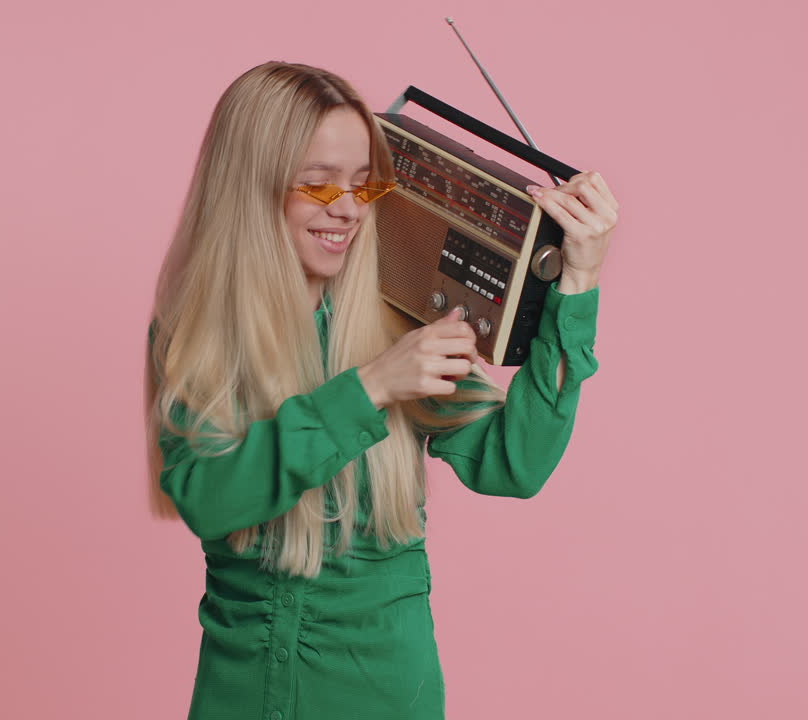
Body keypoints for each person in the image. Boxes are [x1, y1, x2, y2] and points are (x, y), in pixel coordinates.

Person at [143, 60, 618, 720]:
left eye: (363, 188)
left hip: (386, 696)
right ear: (250, 189)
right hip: (240, 694)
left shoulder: (400, 318)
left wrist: (577, 285)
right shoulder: (193, 331)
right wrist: (369, 388)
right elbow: (211, 499)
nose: (346, 211)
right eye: (316, 186)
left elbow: (516, 463)